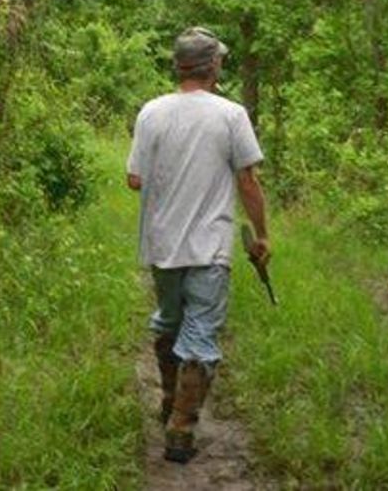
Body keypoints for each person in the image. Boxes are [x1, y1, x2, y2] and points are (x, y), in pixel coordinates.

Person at [127, 27, 270, 464]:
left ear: (179, 67)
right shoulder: (231, 115)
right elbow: (248, 181)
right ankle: (181, 428)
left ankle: (172, 402)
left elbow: (134, 179)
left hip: (162, 244)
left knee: (170, 322)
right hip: (209, 247)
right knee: (201, 332)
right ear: (214, 66)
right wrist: (262, 234)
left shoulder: (151, 112)